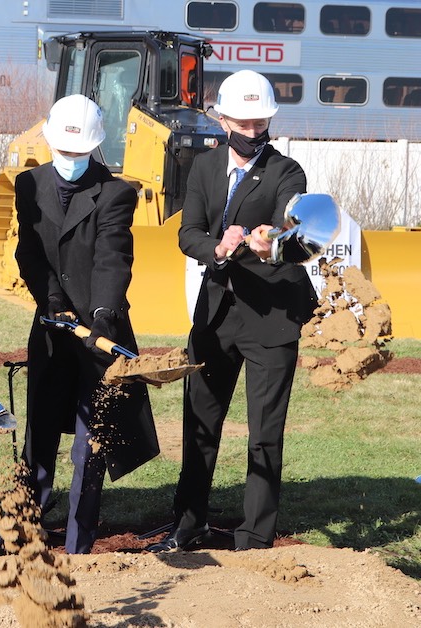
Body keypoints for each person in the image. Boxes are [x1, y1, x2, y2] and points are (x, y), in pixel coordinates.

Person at [149, 70, 314, 552]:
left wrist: (270, 242)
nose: (252, 131)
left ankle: (255, 536)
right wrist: (217, 250)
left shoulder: (287, 171)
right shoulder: (202, 168)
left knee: (265, 433)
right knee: (200, 423)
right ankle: (188, 524)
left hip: (272, 316)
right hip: (216, 313)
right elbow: (189, 233)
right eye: (242, 123)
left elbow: (292, 222)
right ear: (222, 120)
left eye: (260, 122)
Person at [14, 94, 159, 554]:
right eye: (64, 151)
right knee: (38, 437)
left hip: (100, 335)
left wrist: (102, 314)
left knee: (89, 446)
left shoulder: (116, 193)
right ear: (51, 142)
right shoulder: (29, 185)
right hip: (51, 332)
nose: (71, 160)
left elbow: (111, 257)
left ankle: (79, 545)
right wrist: (52, 299)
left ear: (94, 147)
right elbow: (30, 252)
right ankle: (23, 534)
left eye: (80, 152)